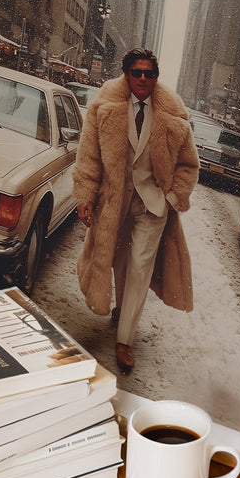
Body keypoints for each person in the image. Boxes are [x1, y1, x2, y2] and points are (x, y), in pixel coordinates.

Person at [72, 49, 200, 374]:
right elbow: (89, 156)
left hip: (152, 206)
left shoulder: (173, 114)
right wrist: (86, 195)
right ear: (126, 74)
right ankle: (118, 308)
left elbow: (188, 165)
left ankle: (125, 340)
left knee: (141, 267)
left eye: (149, 73)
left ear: (156, 77)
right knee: (118, 260)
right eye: (137, 72)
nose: (143, 79)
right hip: (115, 200)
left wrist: (172, 199)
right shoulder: (105, 106)